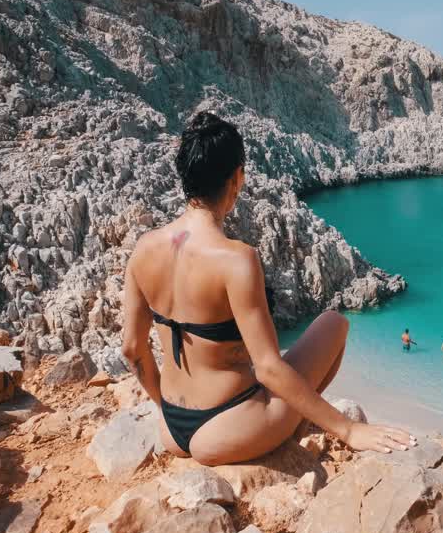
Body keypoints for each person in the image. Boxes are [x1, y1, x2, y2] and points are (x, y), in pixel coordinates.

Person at [120, 111, 415, 466]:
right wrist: (349, 430)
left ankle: (278, 421)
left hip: (172, 429)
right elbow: (268, 368)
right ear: (237, 178)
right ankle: (286, 427)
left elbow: (133, 349)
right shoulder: (236, 259)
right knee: (334, 323)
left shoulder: (143, 248)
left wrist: (166, 410)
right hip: (227, 429)